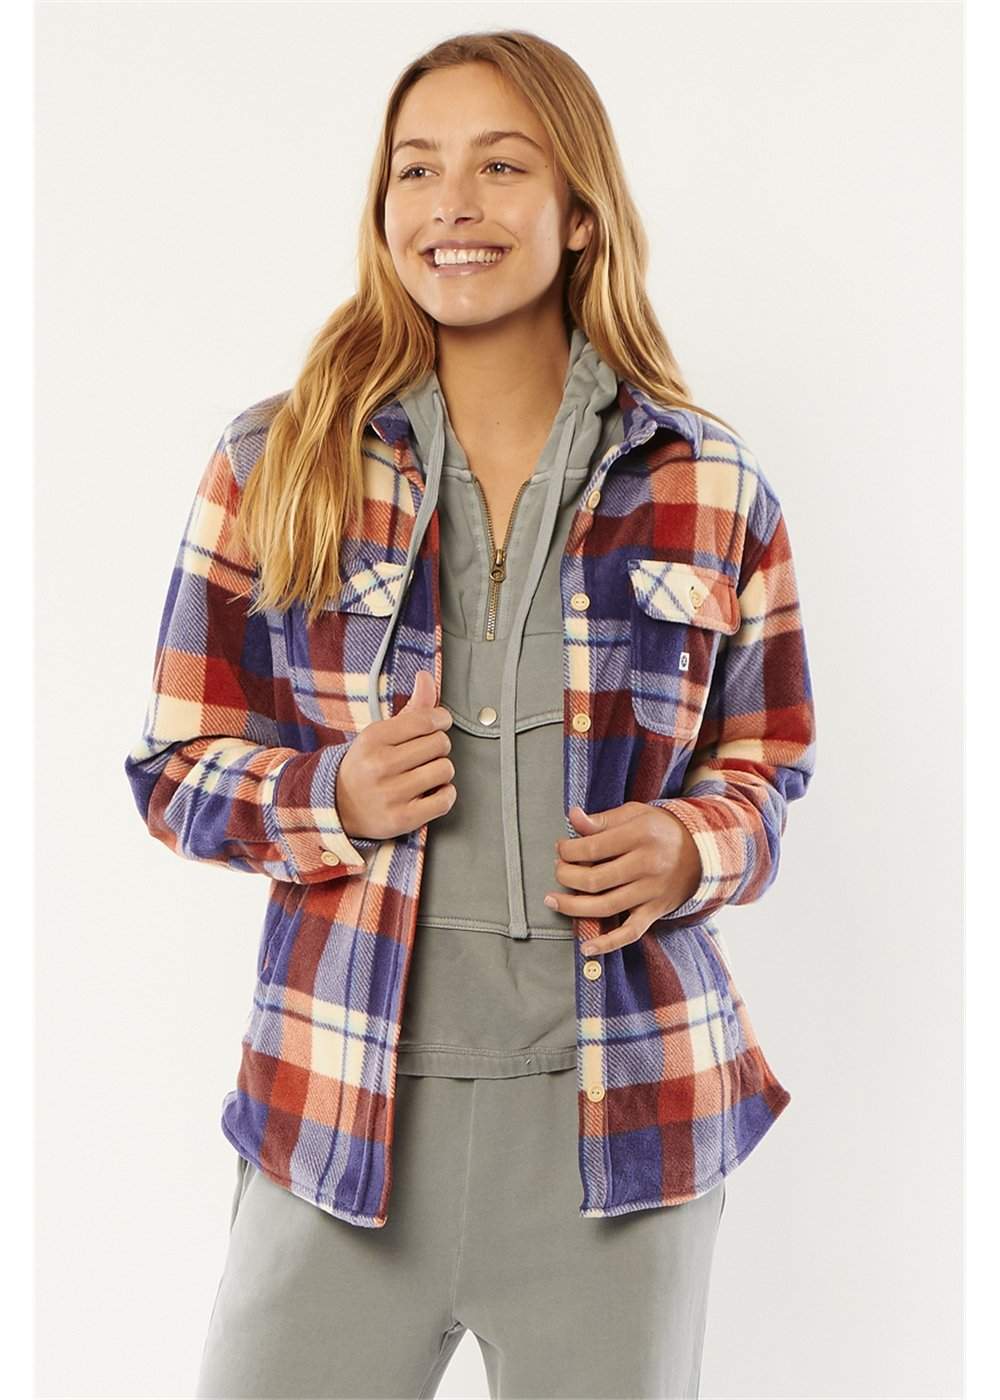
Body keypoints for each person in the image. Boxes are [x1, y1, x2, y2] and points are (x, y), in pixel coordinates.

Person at [124, 29, 816, 1400]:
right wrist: (331, 796)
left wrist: (692, 846)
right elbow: (173, 767)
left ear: (579, 211)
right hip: (338, 1123)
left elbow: (769, 768)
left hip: (623, 1139)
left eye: (502, 166)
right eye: (416, 169)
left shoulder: (710, 481)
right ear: (382, 208)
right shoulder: (275, 463)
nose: (453, 203)